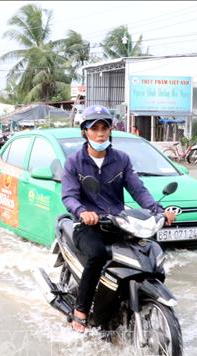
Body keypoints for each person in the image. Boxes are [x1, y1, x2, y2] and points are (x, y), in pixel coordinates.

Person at [61, 105, 176, 332]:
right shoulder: (75, 162)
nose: (100, 133)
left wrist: (158, 211)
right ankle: (81, 310)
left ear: (111, 129)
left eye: (105, 127)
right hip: (88, 225)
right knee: (97, 254)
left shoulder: (121, 159)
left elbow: (138, 189)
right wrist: (83, 212)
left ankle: (137, 298)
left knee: (150, 250)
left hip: (117, 222)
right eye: (94, 128)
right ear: (85, 132)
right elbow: (69, 196)